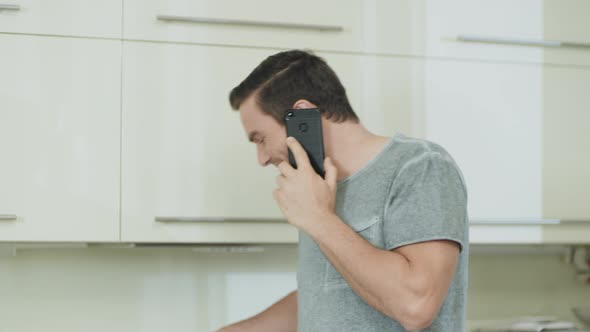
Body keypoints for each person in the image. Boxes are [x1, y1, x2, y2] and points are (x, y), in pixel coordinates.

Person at [219, 50, 469, 332]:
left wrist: (319, 219)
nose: (262, 159)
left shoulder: (420, 166)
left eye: (261, 139)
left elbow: (416, 305)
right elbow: (329, 300)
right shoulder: (317, 191)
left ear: (301, 116)